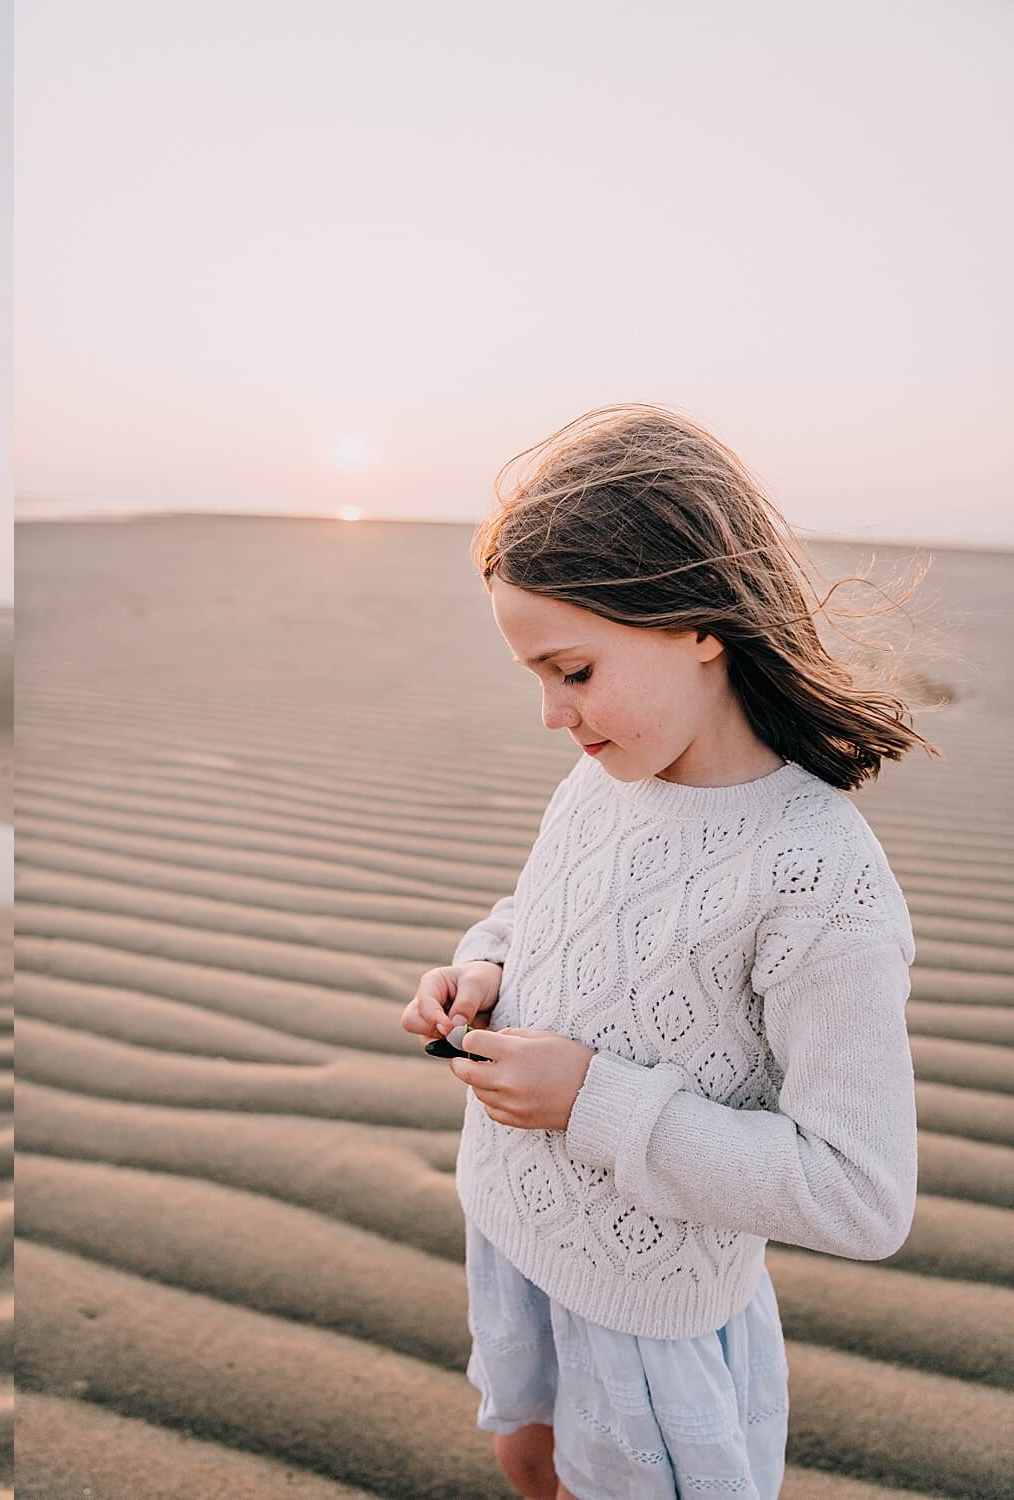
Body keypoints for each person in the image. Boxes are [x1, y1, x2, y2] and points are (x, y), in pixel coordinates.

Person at [399, 404, 938, 1500]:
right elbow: (548, 907)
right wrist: (486, 964)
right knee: (523, 1451)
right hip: (508, 1226)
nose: (552, 714)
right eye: (534, 677)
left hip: (642, 1309)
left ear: (698, 624)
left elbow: (860, 1195)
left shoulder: (816, 876)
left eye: (574, 670)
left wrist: (588, 1100)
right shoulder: (605, 777)